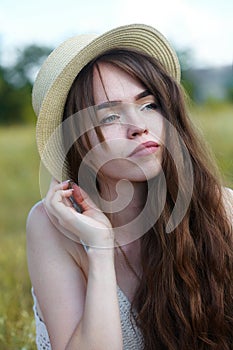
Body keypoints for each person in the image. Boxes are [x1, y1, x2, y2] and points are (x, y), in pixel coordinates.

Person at [26, 24, 233, 350]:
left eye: (148, 105)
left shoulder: (221, 208)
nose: (139, 127)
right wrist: (100, 247)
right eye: (109, 117)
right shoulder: (52, 226)